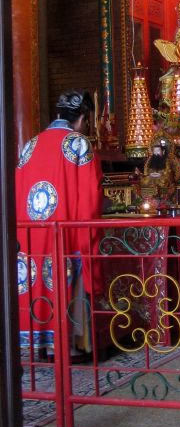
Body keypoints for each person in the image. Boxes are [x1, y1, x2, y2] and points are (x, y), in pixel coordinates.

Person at [16, 90, 103, 358]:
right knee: (63, 280)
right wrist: (87, 232)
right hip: (65, 231)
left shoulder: (31, 144)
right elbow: (89, 195)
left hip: (31, 233)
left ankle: (38, 342)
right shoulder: (78, 143)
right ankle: (69, 345)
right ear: (82, 119)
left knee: (36, 281)